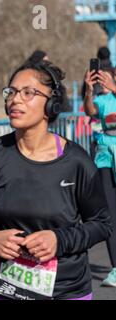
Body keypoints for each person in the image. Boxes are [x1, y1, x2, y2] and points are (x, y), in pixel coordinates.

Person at [0, 60, 113, 300]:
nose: (15, 99)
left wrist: (59, 239)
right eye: (11, 92)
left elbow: (101, 224)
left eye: (28, 93)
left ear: (52, 104)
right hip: (5, 289)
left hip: (66, 291)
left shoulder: (77, 162)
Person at [83, 62, 116, 287]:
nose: (102, 80)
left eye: (106, 77)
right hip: (105, 158)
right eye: (99, 77)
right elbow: (89, 111)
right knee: (110, 215)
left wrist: (114, 88)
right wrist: (88, 89)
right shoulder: (101, 100)